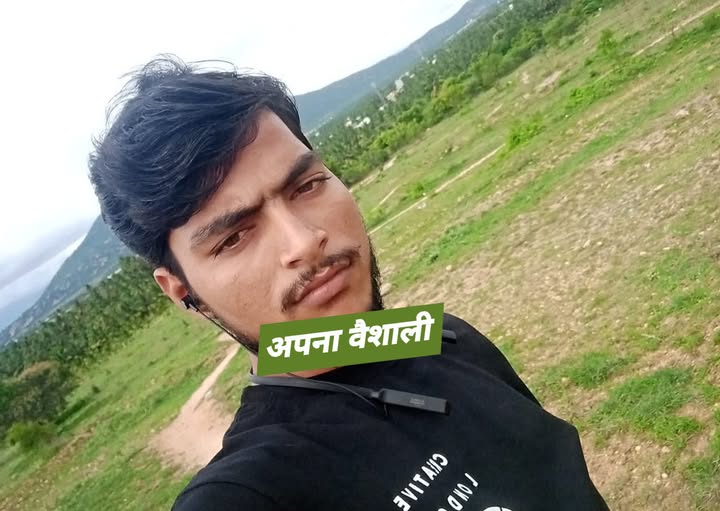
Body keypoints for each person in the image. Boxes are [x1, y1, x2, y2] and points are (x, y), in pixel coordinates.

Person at [89, 55, 609, 511]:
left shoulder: (443, 335)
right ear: (182, 290)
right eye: (234, 237)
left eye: (307, 185)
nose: (304, 241)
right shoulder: (251, 491)